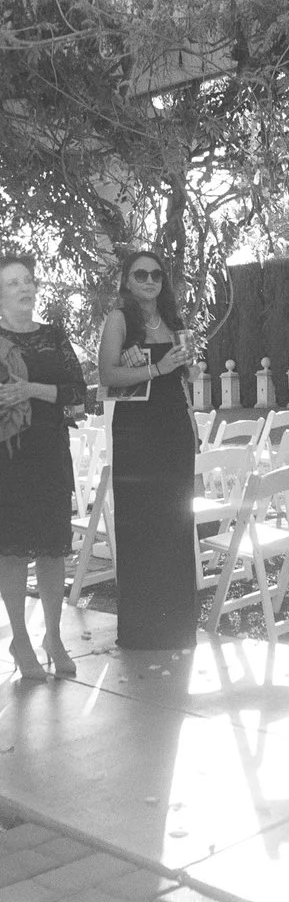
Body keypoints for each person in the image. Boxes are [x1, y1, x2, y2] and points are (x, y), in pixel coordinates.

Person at [94, 250, 199, 652]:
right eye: (141, 274)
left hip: (174, 426)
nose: (150, 280)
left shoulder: (173, 321)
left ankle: (177, 627)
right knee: (140, 523)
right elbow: (107, 375)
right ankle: (142, 631)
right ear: (127, 280)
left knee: (175, 522)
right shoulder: (120, 320)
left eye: (156, 274)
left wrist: (187, 366)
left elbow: (185, 374)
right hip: (137, 432)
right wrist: (155, 368)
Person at [1, 254, 87, 682]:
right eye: (13, 282)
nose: (24, 288)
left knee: (54, 549)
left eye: (29, 280)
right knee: (13, 551)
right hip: (8, 459)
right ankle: (20, 638)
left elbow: (78, 394)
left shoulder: (54, 336)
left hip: (52, 452)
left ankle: (53, 636)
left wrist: (31, 390)